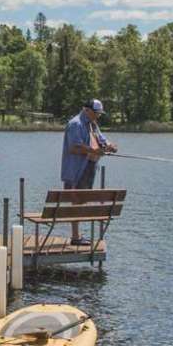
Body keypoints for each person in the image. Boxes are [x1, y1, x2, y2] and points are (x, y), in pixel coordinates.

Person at [60, 99, 117, 245]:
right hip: (76, 170)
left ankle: (77, 236)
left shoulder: (92, 124)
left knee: (81, 201)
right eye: (96, 113)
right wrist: (94, 150)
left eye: (99, 113)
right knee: (76, 201)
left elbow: (101, 139)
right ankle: (75, 237)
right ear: (86, 110)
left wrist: (109, 146)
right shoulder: (76, 124)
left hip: (89, 167)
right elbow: (74, 147)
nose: (97, 116)